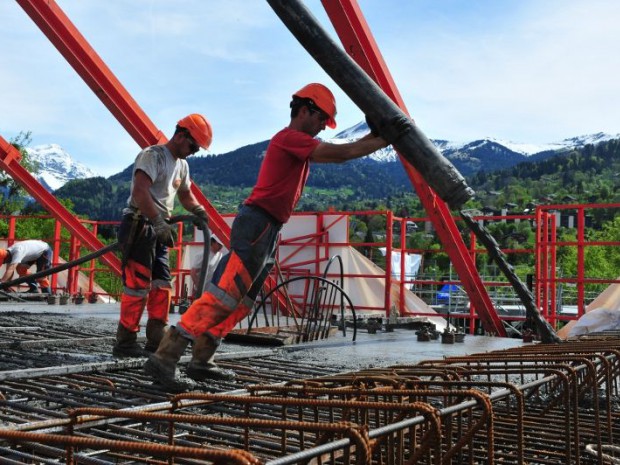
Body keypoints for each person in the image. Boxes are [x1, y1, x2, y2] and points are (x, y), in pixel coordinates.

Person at [145, 83, 389, 391]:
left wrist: (375, 136)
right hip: (257, 224)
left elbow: (345, 149)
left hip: (268, 228)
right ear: (304, 111)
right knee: (223, 296)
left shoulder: (298, 141)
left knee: (242, 302)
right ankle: (165, 357)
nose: (321, 129)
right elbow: (341, 154)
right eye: (320, 121)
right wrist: (382, 139)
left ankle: (202, 359)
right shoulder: (289, 138)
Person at [112, 114, 212, 358]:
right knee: (137, 285)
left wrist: (198, 209)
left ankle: (156, 334)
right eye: (193, 146)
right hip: (139, 224)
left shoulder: (182, 165)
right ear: (180, 136)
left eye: (197, 149)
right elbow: (139, 191)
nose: (194, 152)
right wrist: (157, 220)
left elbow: (185, 195)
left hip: (158, 229)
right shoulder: (153, 155)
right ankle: (125, 341)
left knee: (162, 284)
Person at [189, 235, 225, 299]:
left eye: (221, 245)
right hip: (201, 292)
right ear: (212, 242)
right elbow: (193, 272)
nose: (221, 246)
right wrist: (200, 289)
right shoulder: (203, 254)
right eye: (219, 244)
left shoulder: (220, 255)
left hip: (212, 292)